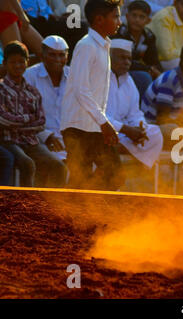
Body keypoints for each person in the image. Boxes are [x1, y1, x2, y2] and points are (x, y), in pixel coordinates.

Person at [60, 0, 124, 191]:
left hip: (93, 126)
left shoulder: (102, 46)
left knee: (113, 174)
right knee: (81, 180)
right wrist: (104, 123)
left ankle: (89, 213)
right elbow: (81, 89)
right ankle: (63, 215)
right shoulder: (86, 45)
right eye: (116, 16)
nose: (120, 21)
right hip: (78, 126)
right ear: (99, 19)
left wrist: (101, 122)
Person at [0, 41, 67, 187]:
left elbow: (41, 122)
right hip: (9, 141)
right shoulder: (1, 89)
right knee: (27, 164)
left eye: (21, 62)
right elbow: (4, 120)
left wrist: (18, 123)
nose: (17, 66)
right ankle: (25, 206)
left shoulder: (32, 92)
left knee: (59, 167)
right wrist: (28, 120)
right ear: (5, 63)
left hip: (32, 142)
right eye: (13, 62)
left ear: (27, 63)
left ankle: (54, 206)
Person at [107, 39, 163, 169]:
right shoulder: (98, 78)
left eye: (129, 59)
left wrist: (140, 128)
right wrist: (127, 130)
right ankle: (123, 151)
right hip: (104, 132)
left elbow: (135, 113)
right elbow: (98, 116)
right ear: (109, 57)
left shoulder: (128, 81)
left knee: (155, 133)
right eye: (122, 58)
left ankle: (119, 148)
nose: (126, 62)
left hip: (124, 135)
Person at [141, 42, 183, 144]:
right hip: (154, 127)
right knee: (174, 130)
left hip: (177, 124)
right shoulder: (169, 80)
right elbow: (163, 119)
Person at [24, 35, 70, 161]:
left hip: (70, 139)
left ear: (67, 57)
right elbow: (26, 115)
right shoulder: (29, 76)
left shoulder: (74, 76)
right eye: (52, 55)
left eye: (61, 55)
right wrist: (47, 136)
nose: (57, 59)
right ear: (42, 55)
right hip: (39, 139)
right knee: (58, 167)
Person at [113, 0, 162, 97]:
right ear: (127, 17)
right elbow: (120, 61)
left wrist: (156, 71)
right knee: (144, 77)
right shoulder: (119, 33)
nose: (137, 20)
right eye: (134, 15)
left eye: (141, 17)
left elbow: (153, 61)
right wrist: (148, 69)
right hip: (119, 71)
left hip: (139, 69)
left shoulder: (149, 36)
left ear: (148, 20)